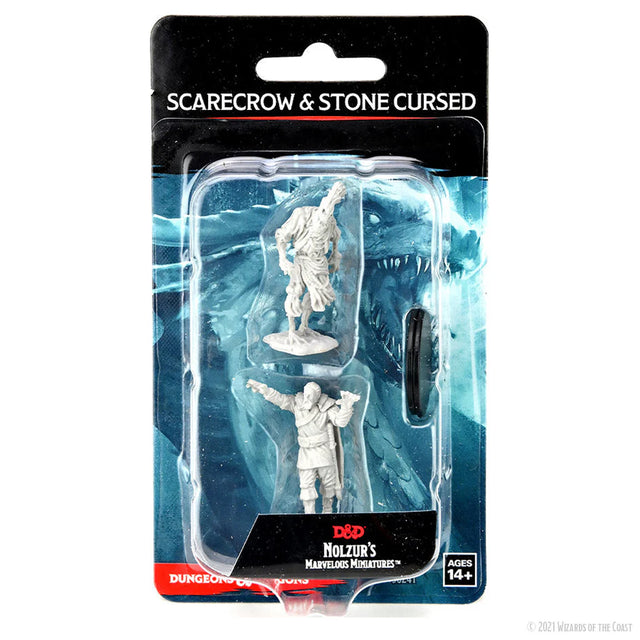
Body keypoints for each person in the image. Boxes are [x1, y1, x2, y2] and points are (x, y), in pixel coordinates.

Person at [247, 378, 360, 514]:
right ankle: (309, 513)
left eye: (311, 396)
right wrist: (265, 390)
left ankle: (328, 511)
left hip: (323, 451)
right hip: (306, 452)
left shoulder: (327, 407)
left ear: (317, 397)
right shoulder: (297, 404)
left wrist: (347, 405)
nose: (307, 398)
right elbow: (280, 399)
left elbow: (340, 422)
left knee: (328, 485)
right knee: (306, 485)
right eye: (306, 394)